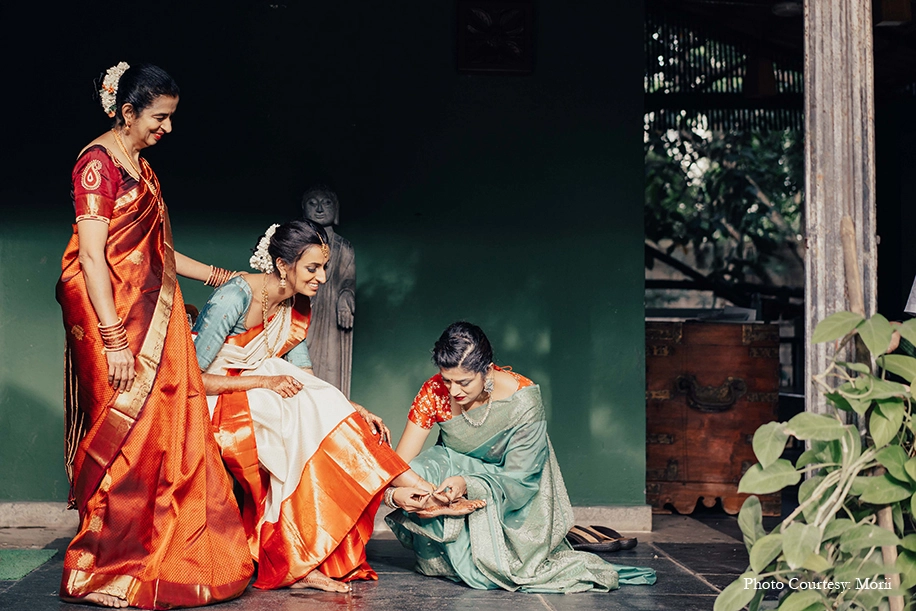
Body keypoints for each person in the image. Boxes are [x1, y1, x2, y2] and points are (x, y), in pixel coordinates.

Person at [191, 220, 483, 593]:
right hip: (219, 399)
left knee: (333, 416)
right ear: (283, 265)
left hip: (267, 391)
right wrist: (264, 382)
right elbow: (194, 378)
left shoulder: (295, 304)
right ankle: (301, 559)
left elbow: (308, 380)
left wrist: (353, 407)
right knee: (297, 429)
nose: (323, 277)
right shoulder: (234, 297)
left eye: (324, 267)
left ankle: (422, 496)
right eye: (313, 268)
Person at [56, 62, 253, 608]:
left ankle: (161, 555)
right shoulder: (97, 166)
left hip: (152, 320)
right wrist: (114, 338)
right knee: (126, 442)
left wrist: (219, 276)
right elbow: (92, 257)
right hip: (114, 324)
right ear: (127, 112)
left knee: (164, 437)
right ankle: (99, 569)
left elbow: (159, 252)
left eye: (170, 117)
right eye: (159, 117)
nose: (167, 128)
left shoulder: (140, 167)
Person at [388, 322, 657, 592]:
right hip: (453, 479)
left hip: (511, 486)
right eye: (447, 380)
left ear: (487, 369)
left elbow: (521, 477)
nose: (453, 391)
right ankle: (447, 553)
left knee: (496, 573)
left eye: (464, 382)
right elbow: (398, 466)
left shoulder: (521, 398)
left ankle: (541, 541)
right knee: (422, 466)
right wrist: (423, 494)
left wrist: (467, 483)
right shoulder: (435, 391)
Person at [301, 186, 356, 398]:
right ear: (303, 208)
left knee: (330, 364)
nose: (320, 209)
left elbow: (348, 282)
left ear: (336, 209)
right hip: (303, 307)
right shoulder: (297, 245)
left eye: (326, 203)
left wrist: (345, 297)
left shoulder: (343, 247)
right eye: (313, 203)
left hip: (330, 310)